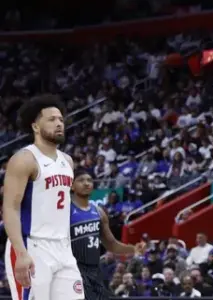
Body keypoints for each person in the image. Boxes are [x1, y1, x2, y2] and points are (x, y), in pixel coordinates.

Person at [2, 95, 85, 300]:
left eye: (61, 119)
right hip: (32, 246)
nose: (59, 123)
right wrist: (21, 253)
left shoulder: (67, 161)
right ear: (35, 127)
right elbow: (10, 208)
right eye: (51, 119)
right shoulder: (24, 159)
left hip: (63, 247)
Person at [70, 169, 135, 300]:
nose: (86, 183)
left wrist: (133, 249)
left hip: (95, 269)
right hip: (73, 270)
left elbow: (111, 244)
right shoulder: (65, 210)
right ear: (72, 185)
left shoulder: (99, 212)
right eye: (81, 180)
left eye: (89, 180)